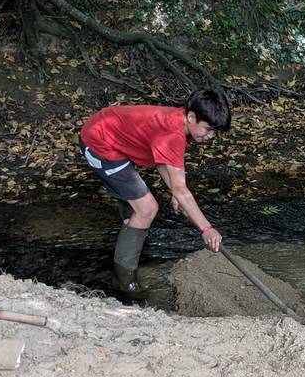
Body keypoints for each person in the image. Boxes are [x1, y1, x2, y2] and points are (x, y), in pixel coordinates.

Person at [79, 88, 230, 298]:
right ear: (192, 116)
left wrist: (175, 192)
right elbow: (181, 189)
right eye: (208, 129)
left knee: (141, 206)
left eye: (215, 132)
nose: (211, 136)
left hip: (110, 134)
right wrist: (206, 228)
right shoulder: (173, 133)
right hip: (100, 143)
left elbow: (163, 160)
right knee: (147, 208)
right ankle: (124, 280)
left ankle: (131, 230)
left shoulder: (179, 122)